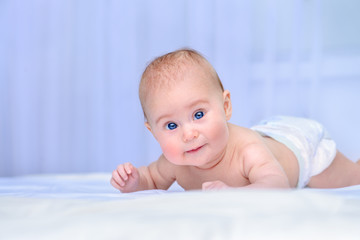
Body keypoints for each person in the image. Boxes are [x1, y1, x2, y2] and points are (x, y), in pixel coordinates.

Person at [110, 48, 360, 193]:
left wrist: (235, 194)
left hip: (298, 146)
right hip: (268, 133)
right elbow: (152, 179)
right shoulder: (174, 162)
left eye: (198, 115)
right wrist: (134, 181)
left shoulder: (246, 149)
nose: (188, 134)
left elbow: (277, 183)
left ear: (225, 106)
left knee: (349, 177)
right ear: (153, 132)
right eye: (171, 126)